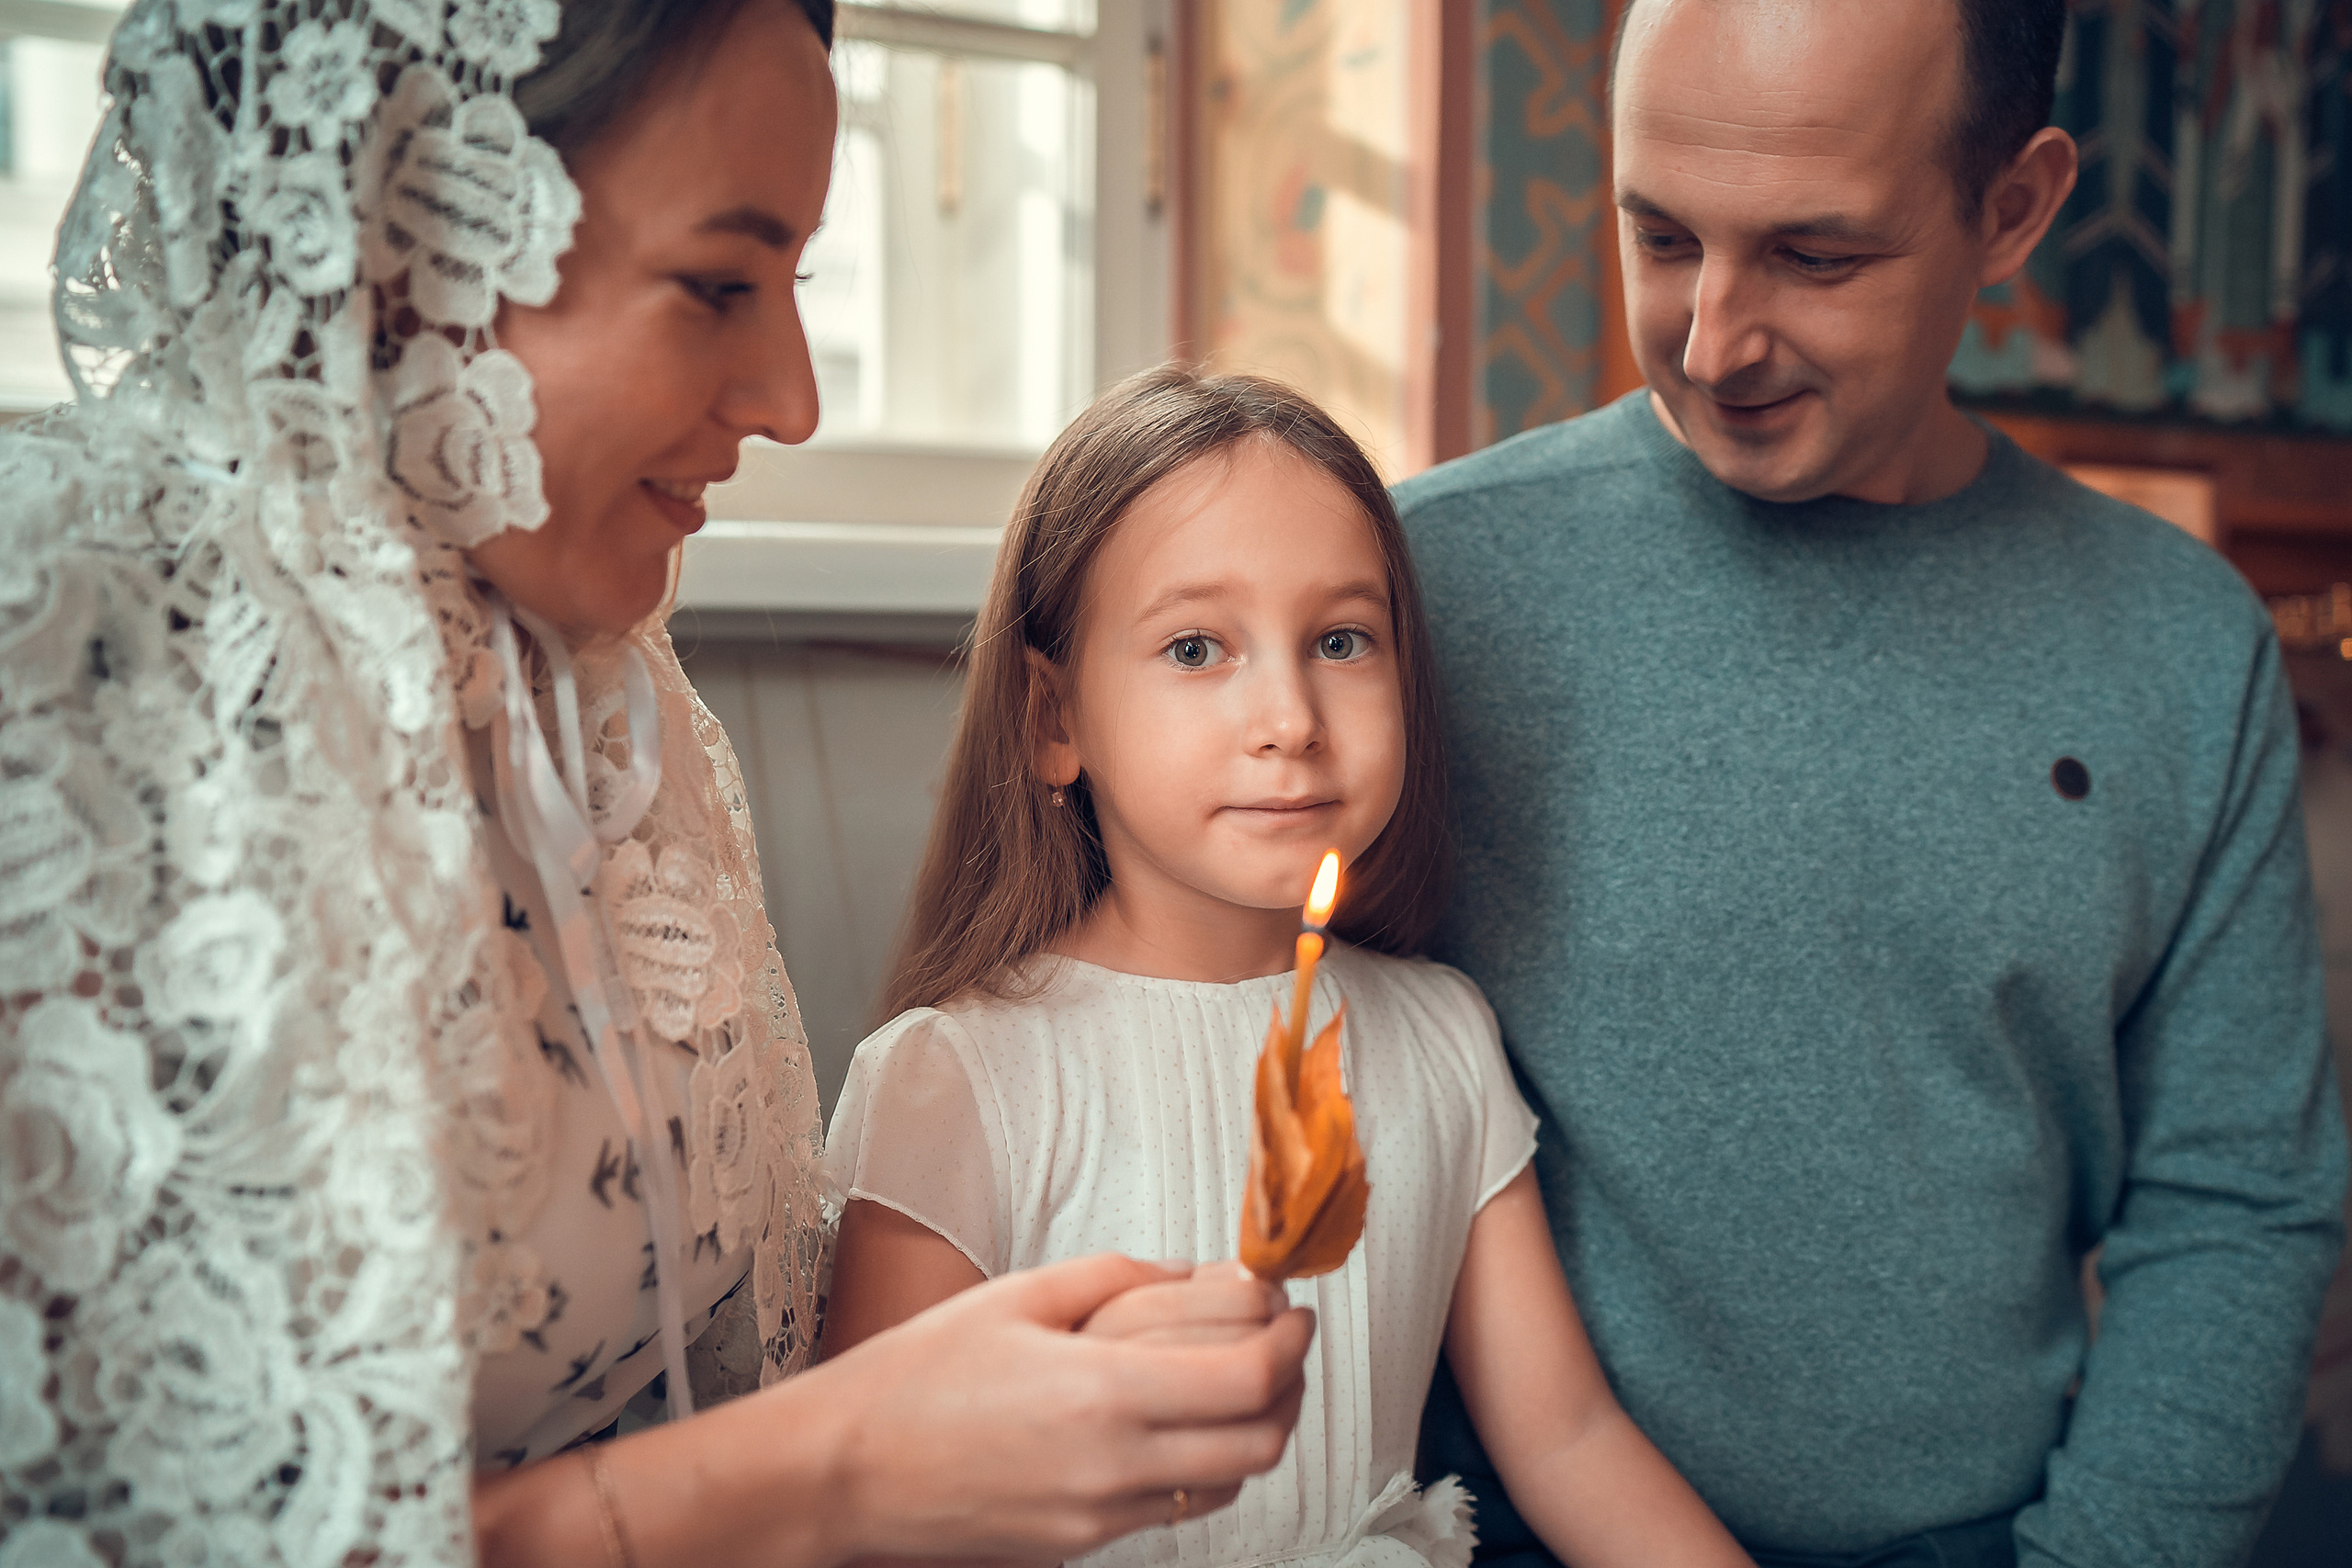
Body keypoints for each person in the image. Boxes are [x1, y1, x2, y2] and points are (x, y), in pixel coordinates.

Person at [0, 3, 1315, 1565]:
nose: (793, 399)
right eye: (717, 285)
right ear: (395, 243)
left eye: (798, 284)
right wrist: (847, 1463)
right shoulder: (68, 673)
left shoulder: (610, 702)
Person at [1398, 1, 2349, 1565]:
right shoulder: (1427, 584)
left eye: (1815, 256)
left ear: (2014, 208)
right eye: (1658, 237)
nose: (1713, 341)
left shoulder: (2183, 647)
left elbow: (2235, 1209)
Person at [819, 367, 1754, 1568]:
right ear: (1055, 720)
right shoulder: (956, 1078)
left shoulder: (1441, 1037)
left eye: (1341, 640)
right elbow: (876, 1506)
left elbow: (1565, 1437)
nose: (1291, 717)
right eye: (1198, 646)